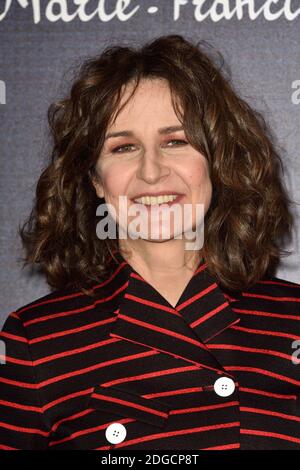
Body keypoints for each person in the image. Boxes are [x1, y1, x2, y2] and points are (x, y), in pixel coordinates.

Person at [0, 34, 300, 451]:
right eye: (123, 147)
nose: (152, 171)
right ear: (94, 180)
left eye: (175, 141)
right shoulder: (36, 343)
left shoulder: (292, 320)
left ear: (216, 160)